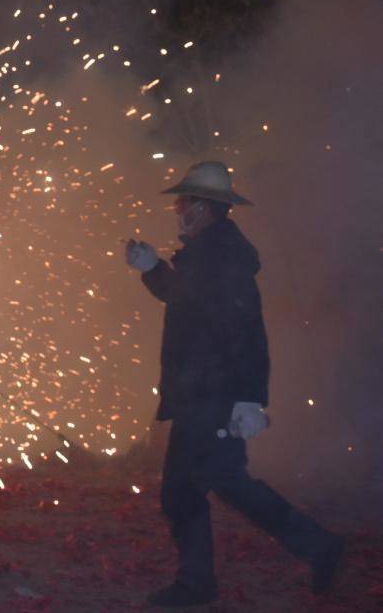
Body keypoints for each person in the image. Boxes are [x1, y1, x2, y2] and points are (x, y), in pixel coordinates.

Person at [126, 161, 344, 607]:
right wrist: (152, 269)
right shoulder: (209, 252)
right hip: (201, 394)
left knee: (206, 487)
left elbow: (245, 331)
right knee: (204, 487)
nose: (178, 209)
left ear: (203, 208)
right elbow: (187, 299)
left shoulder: (221, 256)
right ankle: (308, 549)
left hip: (213, 396)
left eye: (184, 202)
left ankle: (308, 549)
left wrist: (248, 399)